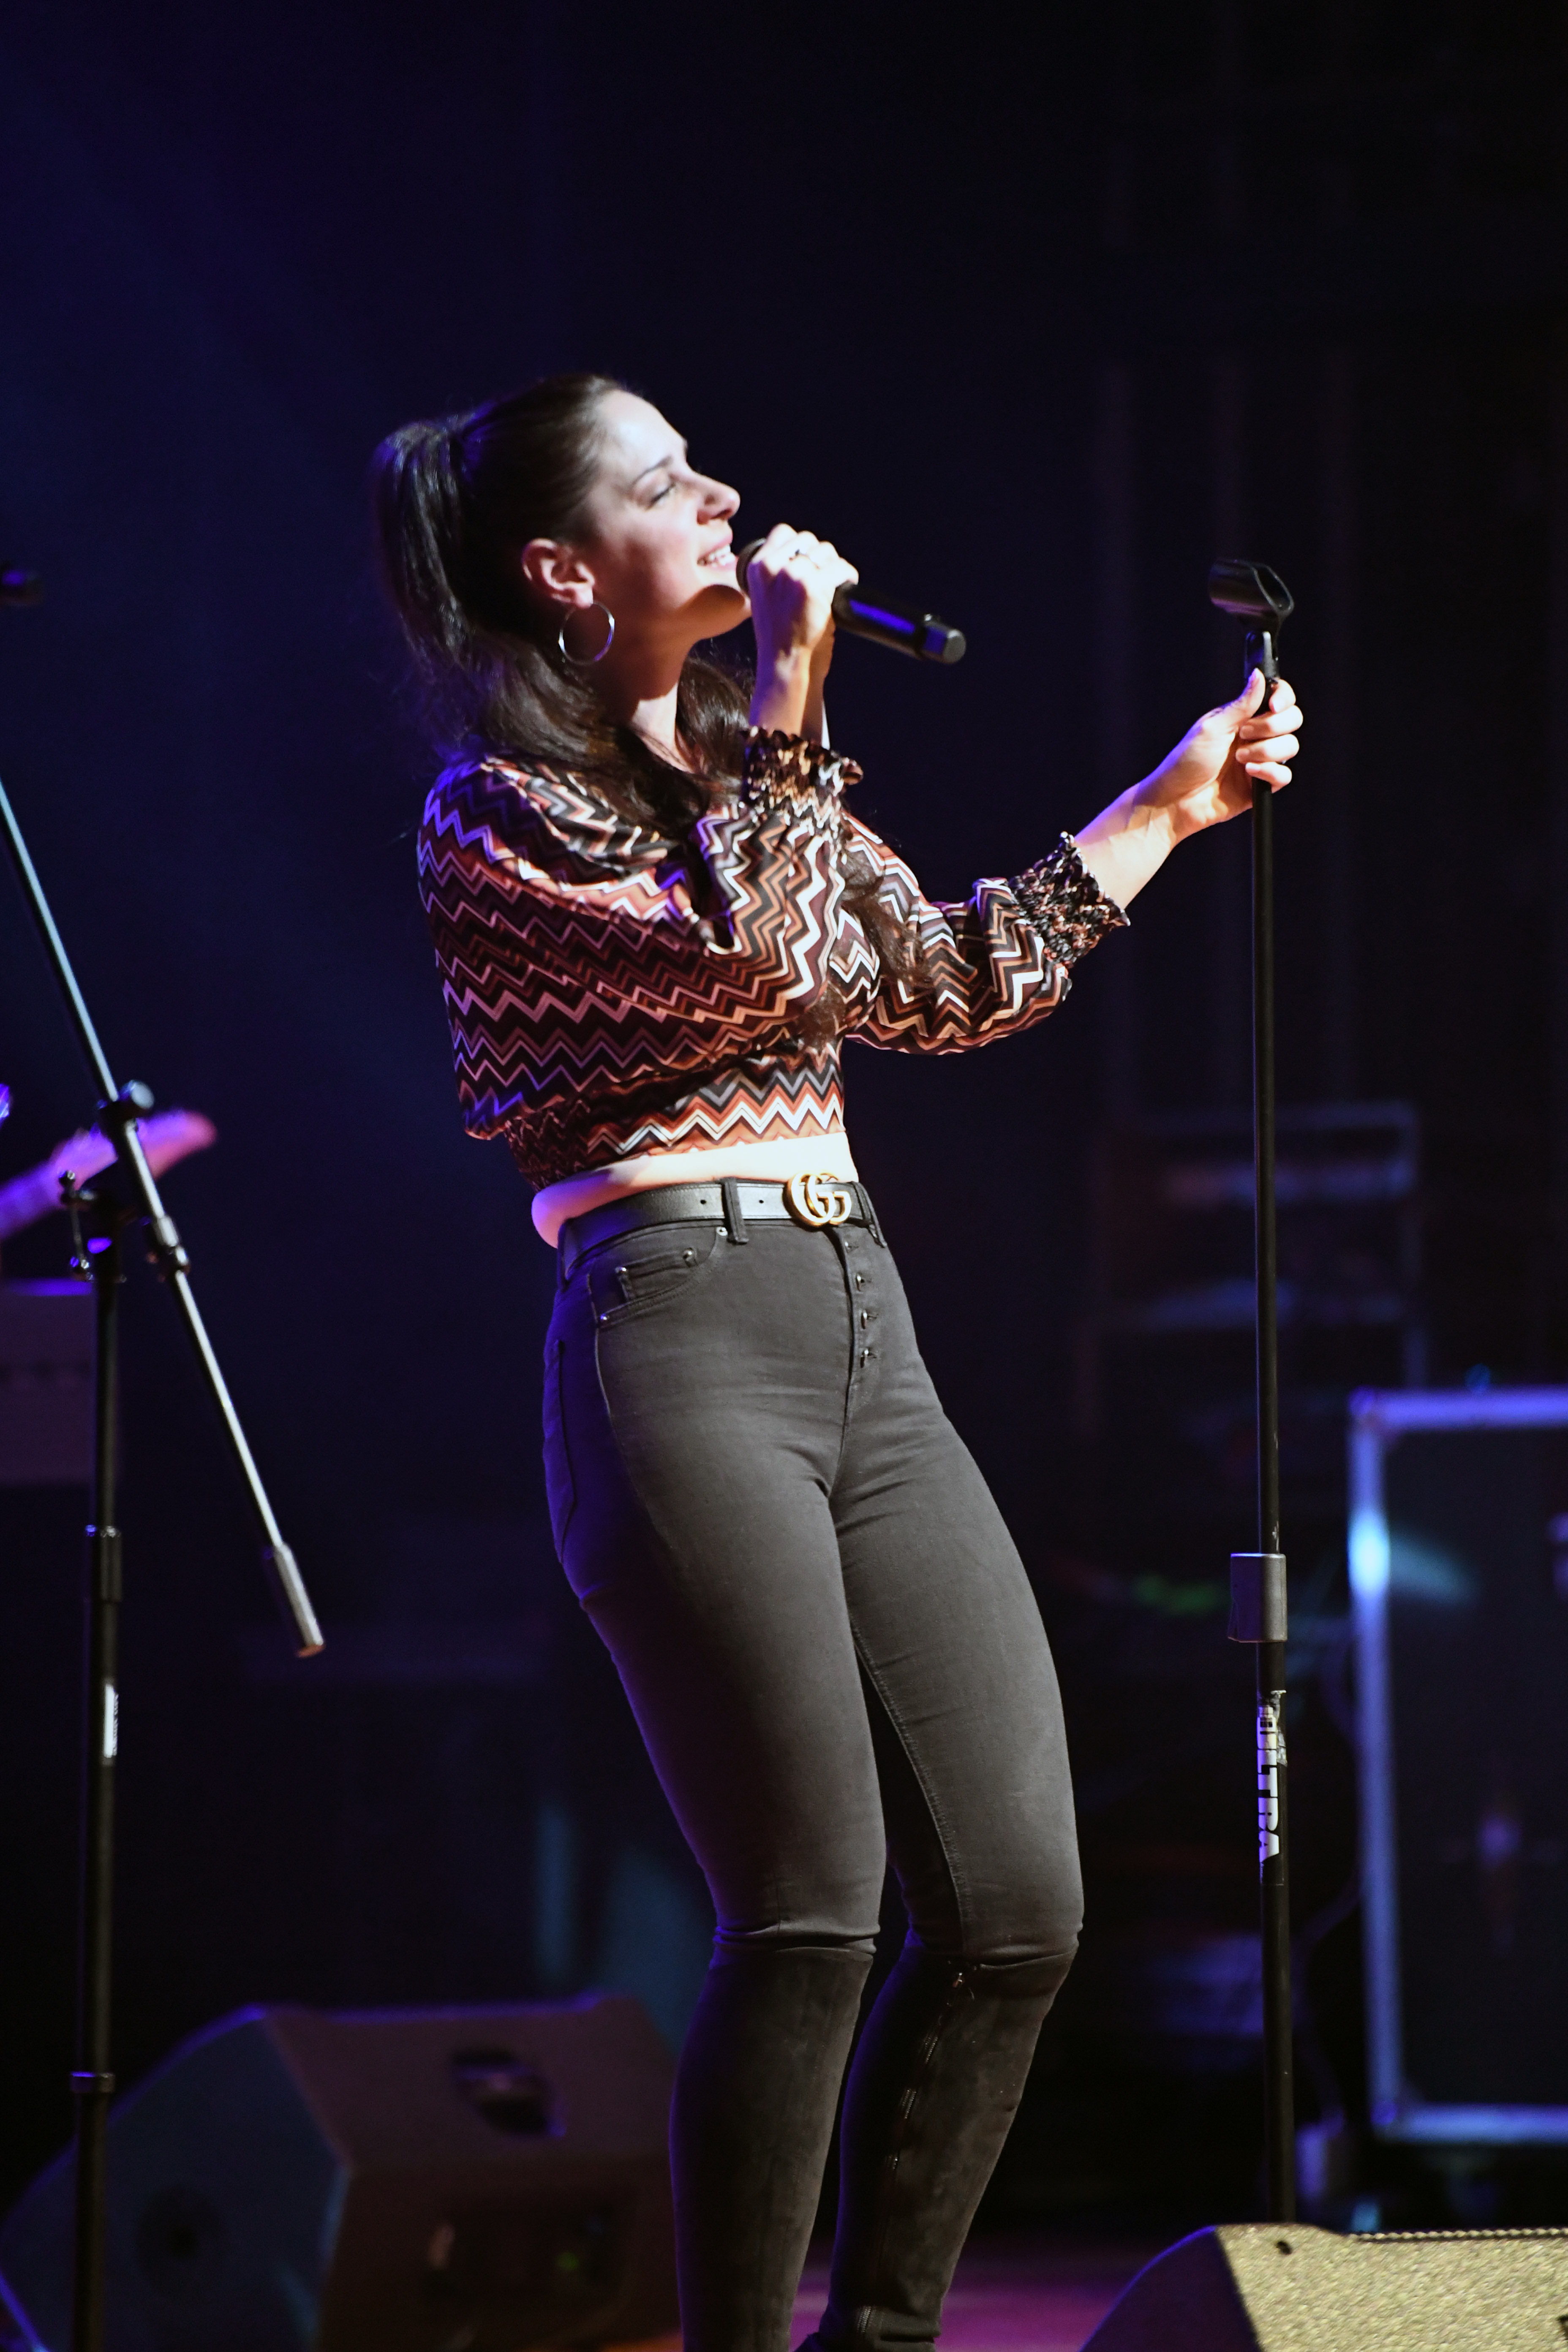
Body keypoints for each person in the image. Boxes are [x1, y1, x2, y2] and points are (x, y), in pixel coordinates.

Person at [371, 373, 1303, 2352]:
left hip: (864, 1328)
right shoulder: (499, 820)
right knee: (810, 1908)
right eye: (662, 480)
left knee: (1024, 1906)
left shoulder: (745, 772)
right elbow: (761, 965)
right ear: (560, 567)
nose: (720, 493)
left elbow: (942, 982)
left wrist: (1170, 801)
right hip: (678, 1339)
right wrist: (791, 697)